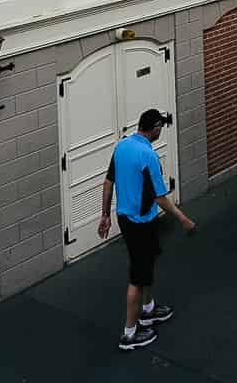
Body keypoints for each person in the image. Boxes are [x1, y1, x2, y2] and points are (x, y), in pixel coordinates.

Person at [96, 108, 195, 352]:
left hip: (125, 219)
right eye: (161, 126)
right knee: (137, 278)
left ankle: (148, 310)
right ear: (156, 128)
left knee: (147, 264)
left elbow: (108, 182)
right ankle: (129, 334)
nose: (161, 130)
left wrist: (105, 215)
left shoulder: (122, 147)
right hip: (141, 223)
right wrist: (183, 219)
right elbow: (161, 198)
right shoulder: (148, 156)